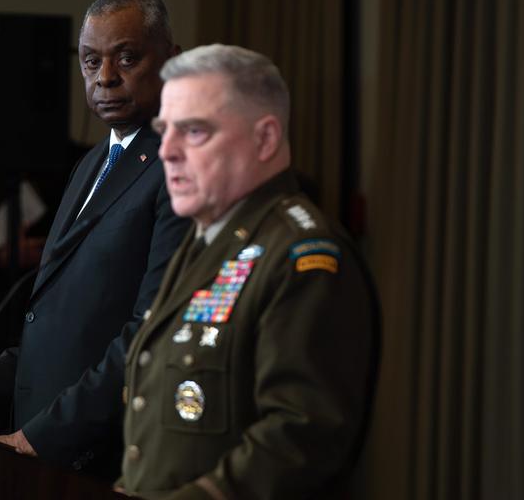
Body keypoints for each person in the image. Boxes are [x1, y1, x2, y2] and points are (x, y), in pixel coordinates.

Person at [0, 0, 190, 478]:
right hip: (46, 455)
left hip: (109, 461)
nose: (104, 78)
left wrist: (41, 438)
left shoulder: (177, 167)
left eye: (126, 58)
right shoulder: (90, 166)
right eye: (90, 61)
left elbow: (148, 335)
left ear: (172, 58)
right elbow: (54, 332)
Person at [118, 45, 380, 499]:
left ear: (265, 139)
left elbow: (301, 438)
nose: (167, 152)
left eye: (194, 131)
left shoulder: (302, 256)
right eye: (164, 131)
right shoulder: (208, 239)